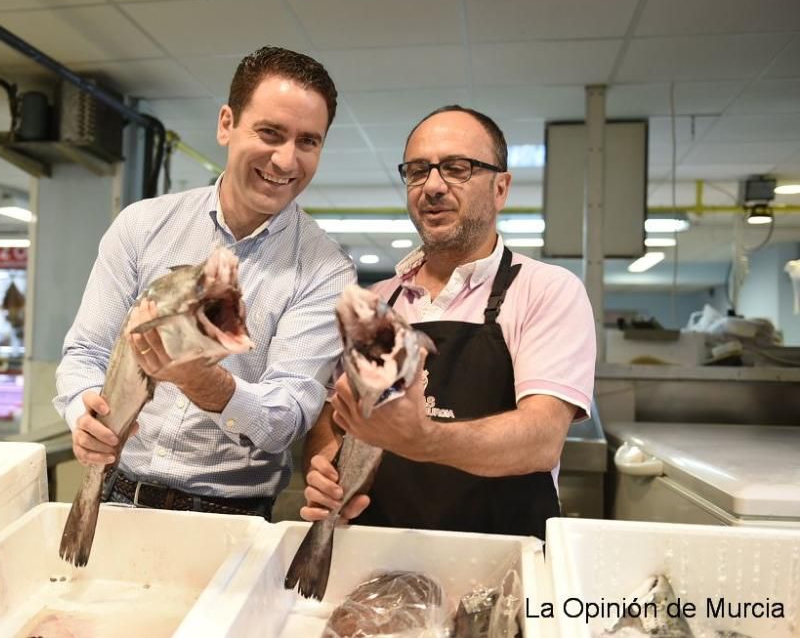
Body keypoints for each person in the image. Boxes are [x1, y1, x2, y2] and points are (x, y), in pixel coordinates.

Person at [54, 46, 356, 520]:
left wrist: (204, 382)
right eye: (270, 133)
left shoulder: (326, 269)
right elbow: (86, 352)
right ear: (226, 124)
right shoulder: (142, 226)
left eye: (307, 142)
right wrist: (82, 411)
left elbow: (291, 413)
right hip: (116, 494)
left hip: (233, 514)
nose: (285, 160)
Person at [300, 106, 596, 539]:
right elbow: (335, 415)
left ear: (501, 187)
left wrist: (424, 438)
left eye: (457, 168)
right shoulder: (378, 302)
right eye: (418, 171)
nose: (433, 186)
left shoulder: (546, 290)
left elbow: (542, 436)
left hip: (499, 562)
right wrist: (324, 467)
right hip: (375, 552)